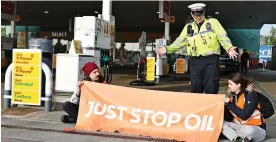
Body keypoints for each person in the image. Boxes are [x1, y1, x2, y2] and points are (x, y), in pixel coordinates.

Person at [155, 3, 238, 94]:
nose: (198, 17)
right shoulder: (188, 27)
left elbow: (222, 37)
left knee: (211, 86)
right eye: (195, 15)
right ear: (192, 14)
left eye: (200, 14)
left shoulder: (213, 22)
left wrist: (229, 48)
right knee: (195, 87)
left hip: (211, 61)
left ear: (204, 12)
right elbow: (179, 42)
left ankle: (210, 107)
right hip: (195, 62)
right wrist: (168, 49)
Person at [223, 72, 266, 142]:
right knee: (221, 124)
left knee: (249, 131)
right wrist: (224, 107)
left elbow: (245, 115)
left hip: (255, 128)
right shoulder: (232, 97)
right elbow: (229, 118)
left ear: (238, 85)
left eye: (230, 84)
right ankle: (237, 139)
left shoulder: (251, 95)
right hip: (239, 127)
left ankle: (234, 135)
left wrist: (229, 104)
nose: (228, 86)